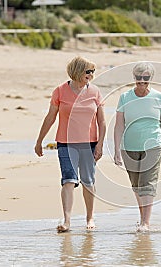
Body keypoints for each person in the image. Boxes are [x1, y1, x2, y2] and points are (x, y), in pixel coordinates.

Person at [35, 56, 106, 232]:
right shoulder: (60, 91)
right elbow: (50, 117)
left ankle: (90, 218)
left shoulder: (95, 92)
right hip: (66, 143)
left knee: (88, 181)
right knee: (68, 180)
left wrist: (100, 145)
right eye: (87, 71)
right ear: (77, 71)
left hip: (89, 143)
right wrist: (39, 141)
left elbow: (102, 123)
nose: (91, 75)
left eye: (93, 72)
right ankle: (67, 220)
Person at [114, 62, 161, 232]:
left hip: (153, 145)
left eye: (146, 78)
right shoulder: (125, 97)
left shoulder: (158, 97)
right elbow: (119, 125)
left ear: (151, 78)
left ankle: (145, 222)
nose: (142, 81)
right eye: (139, 77)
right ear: (134, 78)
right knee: (136, 186)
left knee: (147, 184)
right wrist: (117, 150)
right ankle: (143, 218)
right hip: (129, 147)